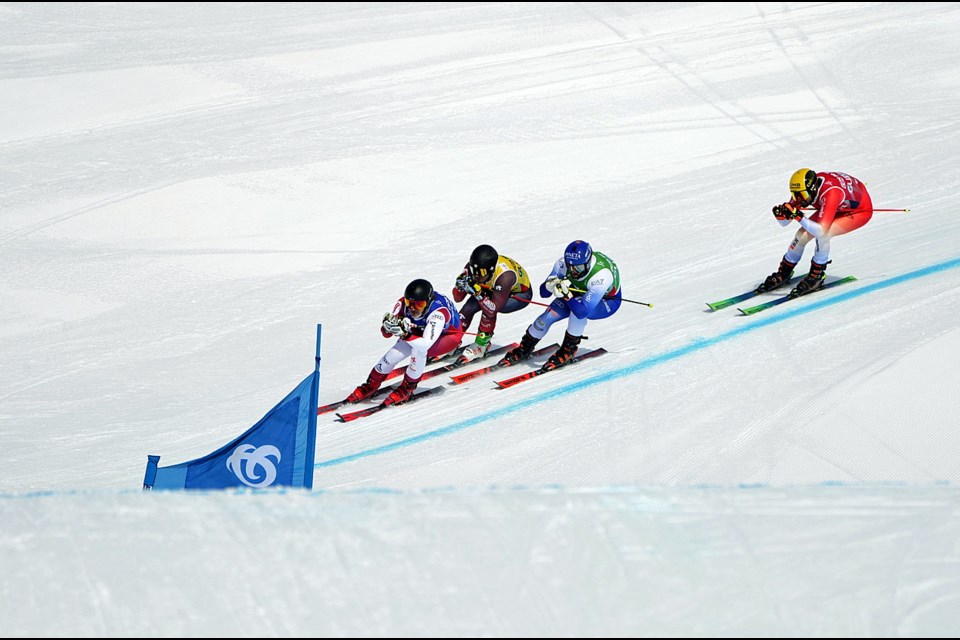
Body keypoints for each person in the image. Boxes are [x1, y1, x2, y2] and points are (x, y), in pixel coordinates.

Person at [499, 240, 621, 371]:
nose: (573, 272)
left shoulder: (601, 276)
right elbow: (543, 293)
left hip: (607, 301)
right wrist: (550, 285)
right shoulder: (562, 264)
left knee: (576, 313)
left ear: (588, 262)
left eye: (578, 268)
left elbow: (582, 311)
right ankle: (525, 347)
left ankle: (568, 350)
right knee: (546, 317)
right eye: (570, 267)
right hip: (577, 291)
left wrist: (567, 296)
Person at [756, 168, 873, 297]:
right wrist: (781, 215)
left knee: (824, 235)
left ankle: (816, 276)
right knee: (802, 235)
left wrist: (799, 216)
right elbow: (785, 223)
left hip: (858, 211)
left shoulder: (831, 193)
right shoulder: (803, 190)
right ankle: (784, 272)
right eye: (795, 195)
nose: (799, 199)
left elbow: (821, 231)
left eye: (802, 196)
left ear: (812, 189)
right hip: (836, 203)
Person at [346, 278, 463, 406]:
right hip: (420, 329)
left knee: (419, 350)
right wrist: (387, 327)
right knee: (394, 354)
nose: (413, 308)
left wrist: (406, 334)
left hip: (447, 337)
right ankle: (370, 384)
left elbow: (425, 344)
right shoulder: (402, 304)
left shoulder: (438, 314)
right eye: (409, 303)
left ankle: (407, 388)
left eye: (419, 305)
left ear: (428, 303)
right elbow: (386, 334)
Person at [451, 244, 533, 363]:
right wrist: (459, 286)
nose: (477, 276)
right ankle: (452, 341)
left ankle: (481, 346)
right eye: (475, 272)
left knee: (487, 310)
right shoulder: (471, 269)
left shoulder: (505, 276)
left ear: (491, 269)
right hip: (492, 289)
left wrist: (478, 294)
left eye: (482, 272)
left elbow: (493, 309)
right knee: (468, 308)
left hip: (518, 294)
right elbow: (458, 298)